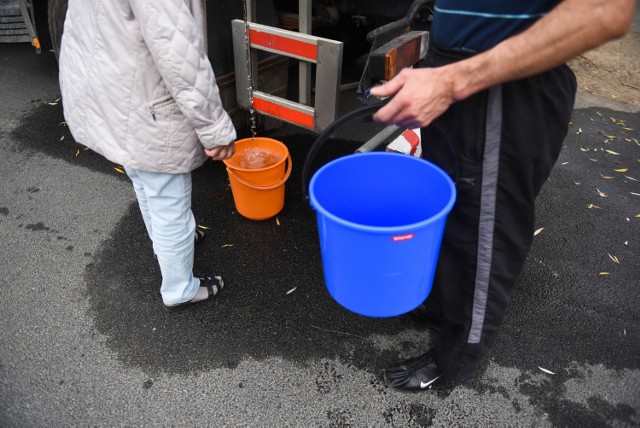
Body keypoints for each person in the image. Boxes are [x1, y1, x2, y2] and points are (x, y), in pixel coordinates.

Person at [370, 0, 637, 390]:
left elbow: (605, 11)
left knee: (484, 236)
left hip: (501, 86)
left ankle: (456, 357)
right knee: (452, 211)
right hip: (454, 74)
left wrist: (453, 78)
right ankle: (444, 305)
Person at [58, 0, 237, 312]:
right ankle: (180, 288)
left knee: (142, 177)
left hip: (116, 86)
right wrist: (214, 126)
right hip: (146, 101)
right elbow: (179, 54)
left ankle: (163, 245)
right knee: (170, 202)